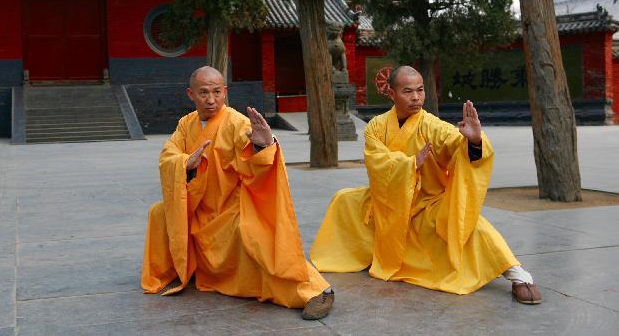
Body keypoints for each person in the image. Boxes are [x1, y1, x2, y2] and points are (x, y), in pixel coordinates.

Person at [310, 66, 542, 304]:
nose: (416, 97)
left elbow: (454, 143)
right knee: (344, 200)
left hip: (426, 202)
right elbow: (376, 163)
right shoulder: (376, 127)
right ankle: (361, 254)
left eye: (420, 90)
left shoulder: (432, 125)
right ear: (391, 93)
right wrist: (409, 165)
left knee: (468, 223)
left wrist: (473, 140)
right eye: (407, 91)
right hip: (387, 202)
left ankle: (516, 273)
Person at [141, 66, 334, 319]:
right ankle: (175, 270)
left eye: (217, 92)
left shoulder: (236, 122)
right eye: (203, 93)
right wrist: (184, 163)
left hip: (230, 206)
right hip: (197, 207)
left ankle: (313, 291)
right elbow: (169, 154)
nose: (211, 100)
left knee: (255, 237)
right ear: (191, 94)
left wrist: (263, 144)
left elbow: (257, 162)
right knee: (159, 212)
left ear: (225, 92)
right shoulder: (185, 124)